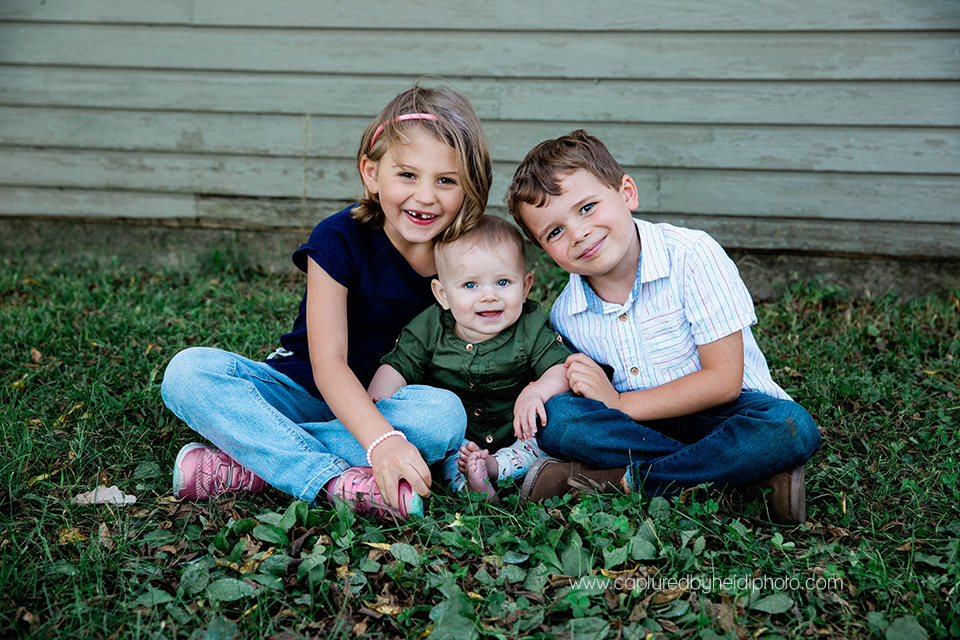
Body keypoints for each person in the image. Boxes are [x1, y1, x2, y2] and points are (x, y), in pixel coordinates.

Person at [160, 83, 494, 521]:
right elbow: (329, 362)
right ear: (372, 174)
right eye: (407, 175)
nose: (426, 196)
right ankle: (333, 480)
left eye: (446, 181)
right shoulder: (338, 237)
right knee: (188, 373)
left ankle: (252, 464)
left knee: (443, 417)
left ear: (469, 188)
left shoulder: (468, 257)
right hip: (302, 390)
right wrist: (383, 443)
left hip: (388, 404)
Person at [505, 130, 822, 524]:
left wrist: (620, 404)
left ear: (627, 193)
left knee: (790, 427)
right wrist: (541, 391)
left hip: (728, 414)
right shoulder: (568, 313)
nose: (578, 233)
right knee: (559, 421)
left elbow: (724, 380)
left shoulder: (692, 256)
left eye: (587, 207)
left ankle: (624, 480)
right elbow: (585, 386)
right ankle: (739, 482)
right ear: (543, 249)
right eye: (554, 232)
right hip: (640, 429)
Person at [366, 216, 573, 502]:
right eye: (470, 285)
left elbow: (560, 367)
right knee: (450, 456)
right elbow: (398, 366)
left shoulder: (530, 325)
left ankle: (493, 468)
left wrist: (538, 390)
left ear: (524, 288)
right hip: (460, 438)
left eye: (502, 282)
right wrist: (378, 402)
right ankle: (472, 485)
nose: (489, 296)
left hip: (518, 433)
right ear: (443, 294)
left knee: (543, 444)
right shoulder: (430, 326)